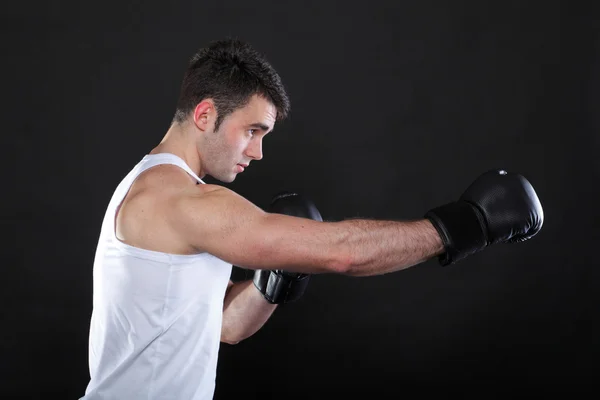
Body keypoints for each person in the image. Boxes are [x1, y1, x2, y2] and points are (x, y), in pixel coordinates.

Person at [80, 39, 544, 400]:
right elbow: (340, 254)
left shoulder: (159, 189)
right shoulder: (177, 199)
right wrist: (466, 224)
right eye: (252, 131)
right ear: (205, 114)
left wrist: (271, 283)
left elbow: (224, 327)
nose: (258, 152)